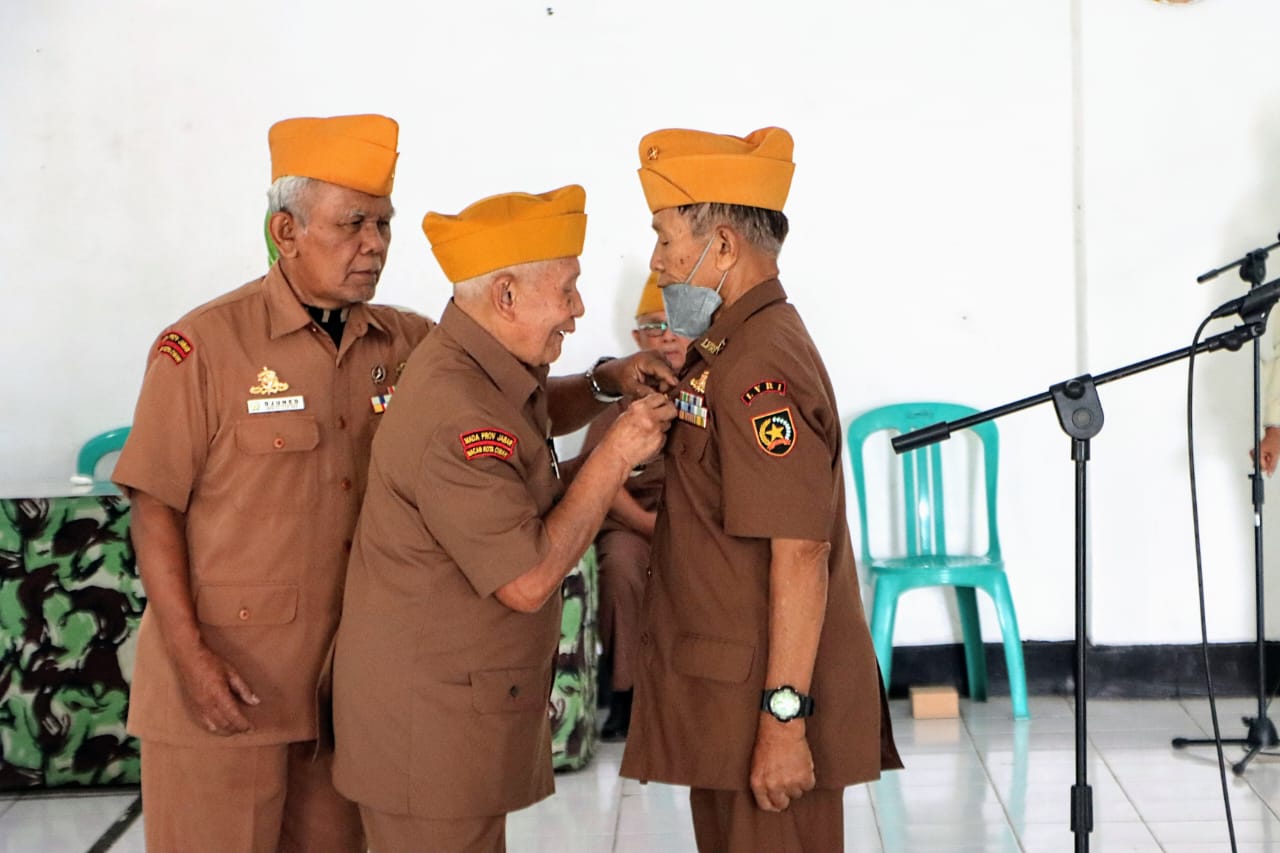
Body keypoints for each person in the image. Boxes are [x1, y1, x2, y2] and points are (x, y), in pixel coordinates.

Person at [111, 114, 434, 853]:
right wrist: (192, 660)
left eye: (384, 224)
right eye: (353, 223)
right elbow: (154, 509)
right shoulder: (204, 346)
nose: (375, 244)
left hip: (341, 696)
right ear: (285, 231)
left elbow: (505, 398)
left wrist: (606, 384)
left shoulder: (405, 341)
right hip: (227, 688)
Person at [330, 184, 677, 853]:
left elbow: (533, 411)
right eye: (568, 290)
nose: (577, 311)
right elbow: (527, 578)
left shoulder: (481, 364)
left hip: (455, 712)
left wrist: (610, 379)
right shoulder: (457, 413)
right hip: (426, 730)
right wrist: (618, 450)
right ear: (507, 296)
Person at [618, 126, 903, 852]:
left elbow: (801, 551)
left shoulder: (756, 368)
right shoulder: (729, 348)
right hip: (730, 694)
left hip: (764, 705)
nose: (657, 261)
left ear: (720, 246)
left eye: (665, 238)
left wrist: (784, 720)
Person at [576, 270, 691, 740]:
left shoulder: (710, 385)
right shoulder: (620, 387)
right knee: (622, 565)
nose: (664, 335)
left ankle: (695, 697)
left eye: (674, 324)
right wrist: (645, 523)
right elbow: (600, 473)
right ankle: (626, 697)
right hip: (629, 520)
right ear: (636, 338)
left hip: (693, 520)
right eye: (651, 325)